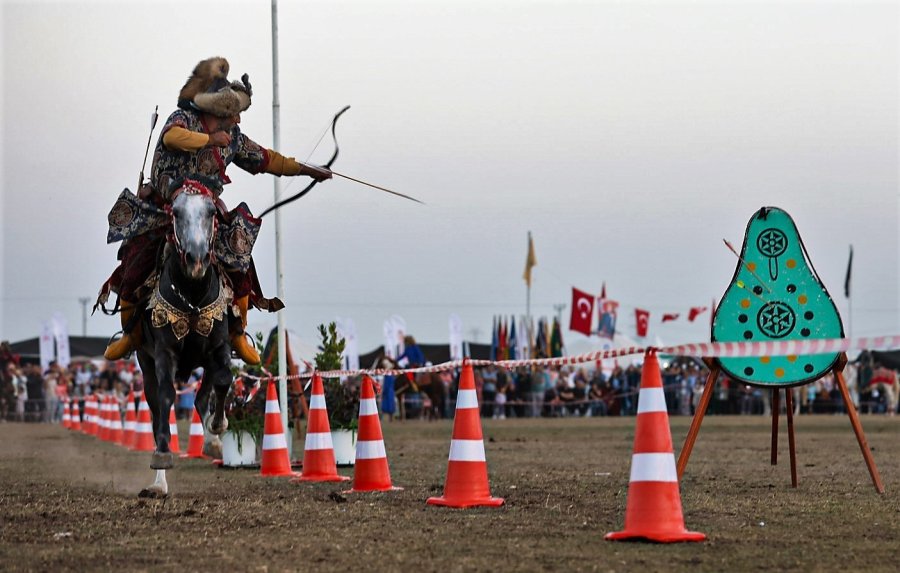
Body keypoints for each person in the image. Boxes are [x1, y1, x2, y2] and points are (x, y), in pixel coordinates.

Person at [98, 57, 332, 364]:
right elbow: (171, 137)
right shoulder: (183, 119)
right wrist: (209, 139)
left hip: (208, 207)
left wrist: (306, 169)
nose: (237, 120)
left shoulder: (233, 138)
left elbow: (268, 159)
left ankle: (237, 332)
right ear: (217, 112)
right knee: (136, 258)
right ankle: (131, 334)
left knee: (239, 249)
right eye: (233, 113)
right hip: (167, 204)